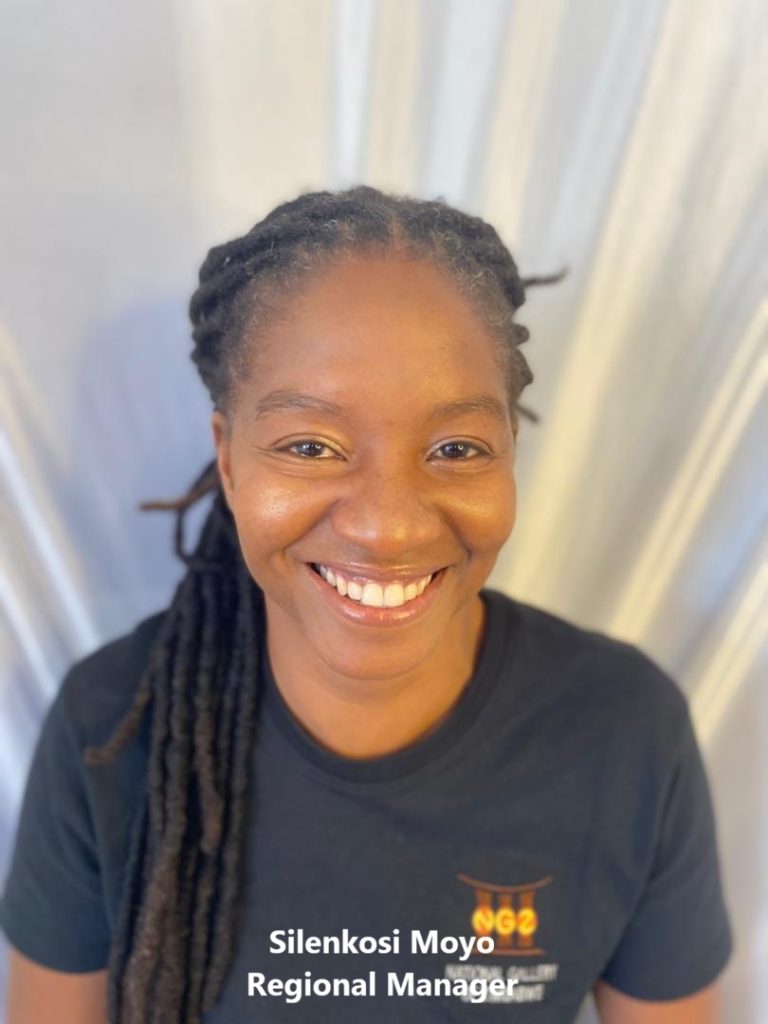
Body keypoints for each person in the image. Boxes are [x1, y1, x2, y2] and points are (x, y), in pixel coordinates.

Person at [1, 186, 731, 1023]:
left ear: (509, 455)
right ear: (230, 463)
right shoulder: (110, 731)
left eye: (455, 448)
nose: (387, 527)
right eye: (311, 446)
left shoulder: (627, 734)